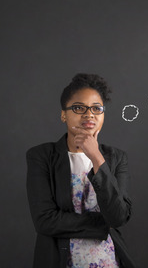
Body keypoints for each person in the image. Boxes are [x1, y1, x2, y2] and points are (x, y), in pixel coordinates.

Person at [26, 73, 136, 268]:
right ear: (63, 114)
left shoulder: (116, 158)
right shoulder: (41, 156)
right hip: (60, 261)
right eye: (79, 108)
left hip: (109, 261)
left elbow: (118, 216)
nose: (89, 114)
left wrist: (96, 158)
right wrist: (103, 224)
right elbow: (45, 221)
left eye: (96, 108)